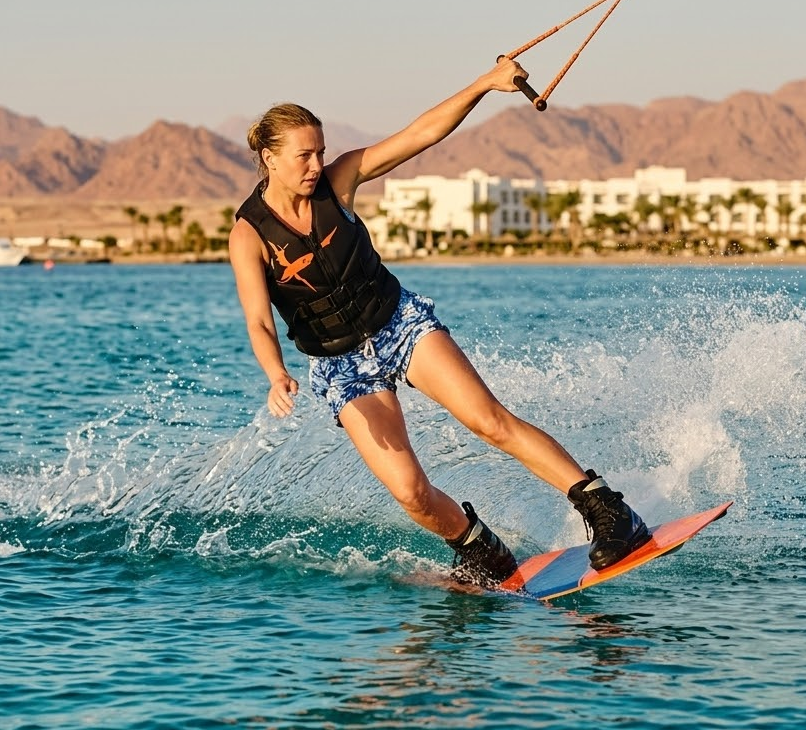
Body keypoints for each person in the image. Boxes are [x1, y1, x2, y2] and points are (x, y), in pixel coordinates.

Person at [228, 57, 650, 589]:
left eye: (320, 152)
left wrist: (483, 85)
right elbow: (259, 321)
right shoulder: (249, 235)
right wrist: (275, 373)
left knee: (488, 420)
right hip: (339, 364)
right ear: (268, 157)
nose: (315, 165)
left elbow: (421, 134)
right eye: (302, 156)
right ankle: (481, 550)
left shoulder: (339, 183)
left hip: (397, 324)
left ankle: (609, 511)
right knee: (410, 492)